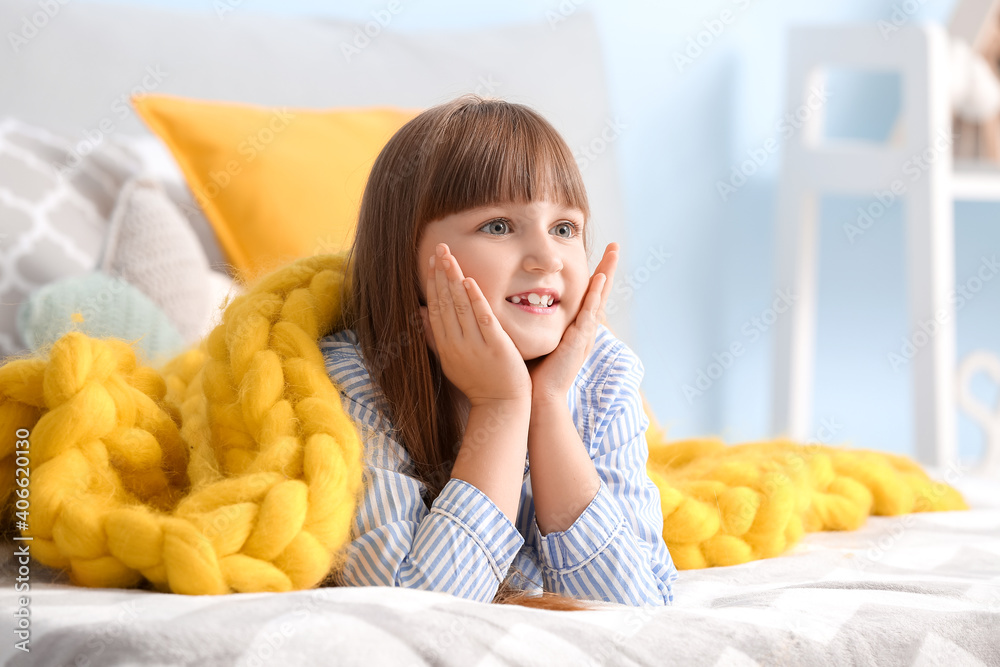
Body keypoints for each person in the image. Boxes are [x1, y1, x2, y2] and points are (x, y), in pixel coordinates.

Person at [319, 94, 677, 610]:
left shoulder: (604, 375)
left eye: (564, 228)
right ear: (405, 255)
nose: (547, 258)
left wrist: (548, 405)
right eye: (498, 226)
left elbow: (638, 607)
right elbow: (414, 608)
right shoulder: (356, 379)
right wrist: (501, 406)